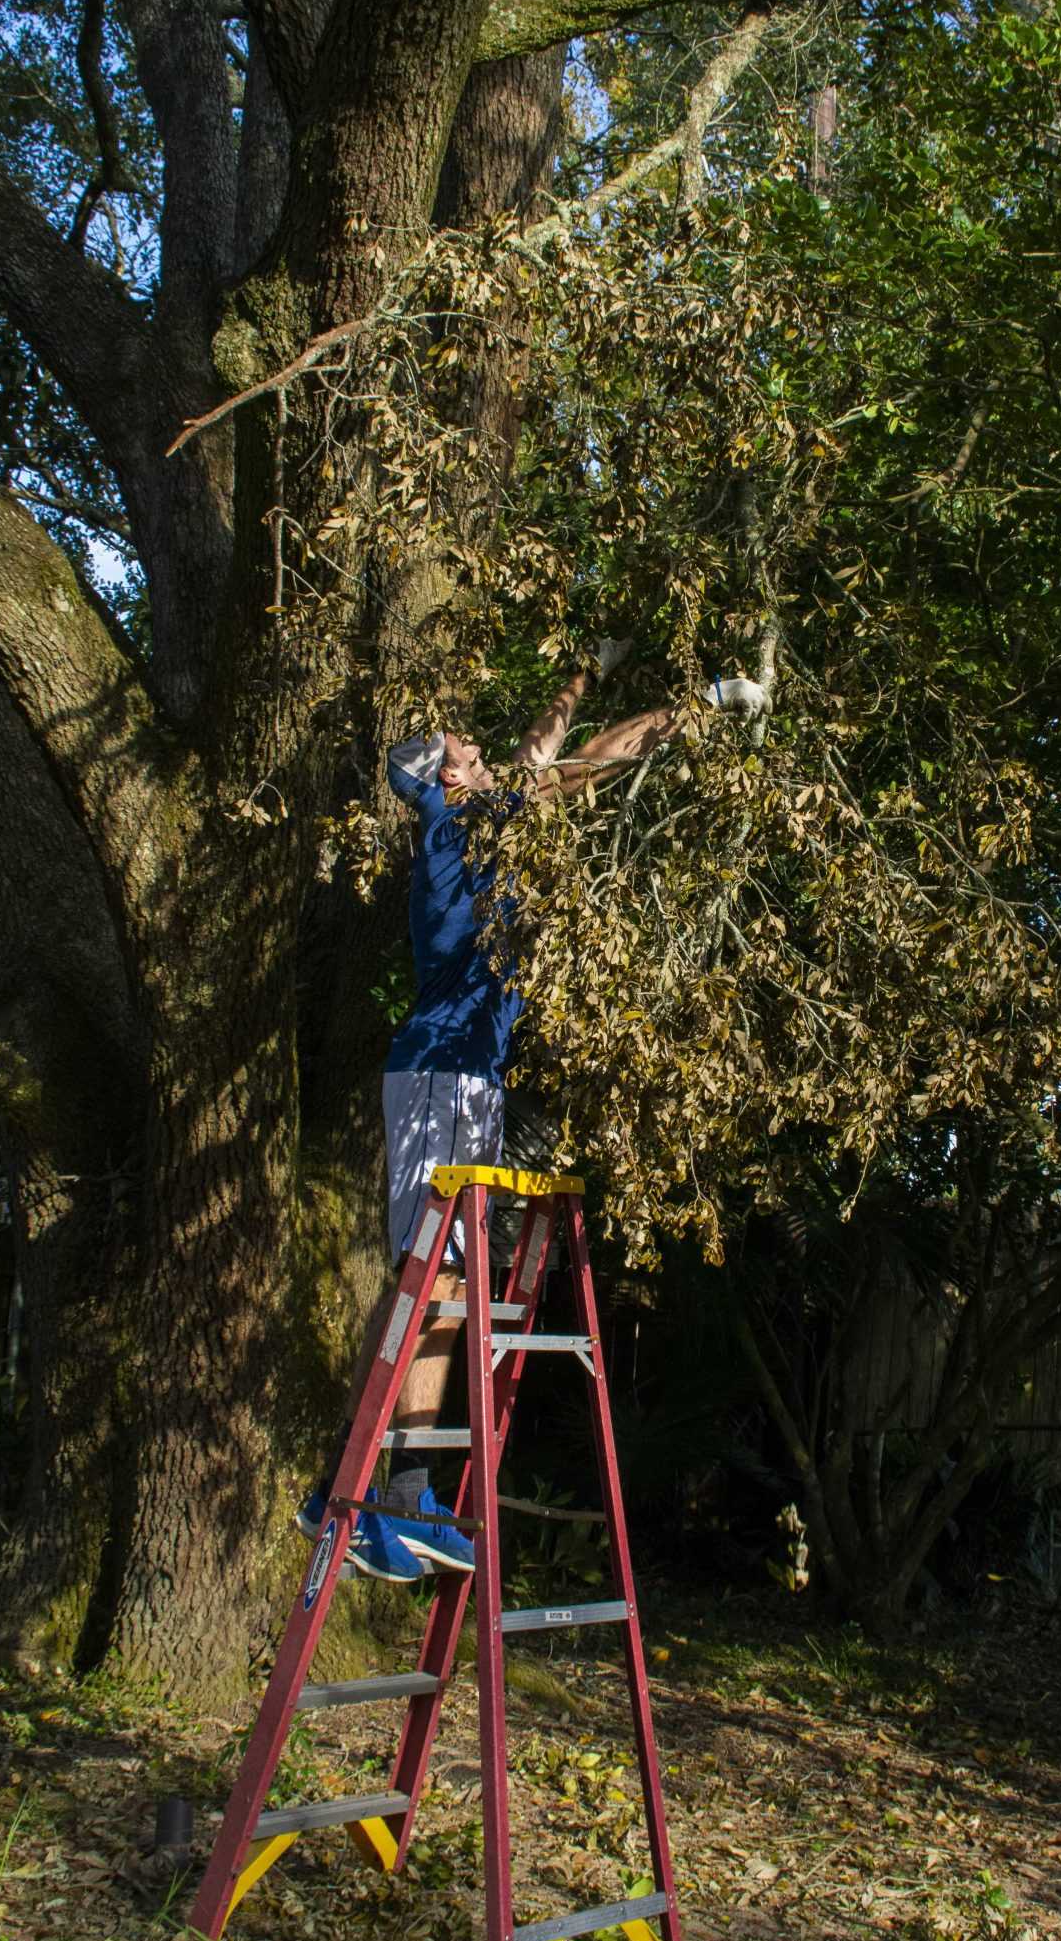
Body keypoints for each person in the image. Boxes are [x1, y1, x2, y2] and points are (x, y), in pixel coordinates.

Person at [298, 648, 771, 1581]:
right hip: (443, 1075)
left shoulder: (471, 820)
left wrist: (588, 670)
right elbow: (589, 758)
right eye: (467, 750)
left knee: (425, 1281)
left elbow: (545, 741)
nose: (485, 750)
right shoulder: (462, 830)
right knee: (437, 1286)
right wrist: (708, 701)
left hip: (457, 1074)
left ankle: (351, 1492)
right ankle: (387, 1500)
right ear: (448, 778)